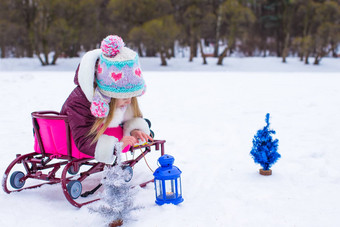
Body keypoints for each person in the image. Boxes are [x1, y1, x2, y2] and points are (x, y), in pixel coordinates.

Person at [60, 35, 152, 164]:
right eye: (124, 97)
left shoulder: (116, 100)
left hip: (101, 132)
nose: (129, 101)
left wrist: (134, 130)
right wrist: (116, 147)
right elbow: (83, 139)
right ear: (107, 95)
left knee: (146, 122)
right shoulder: (80, 101)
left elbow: (120, 121)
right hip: (75, 144)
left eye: (132, 96)